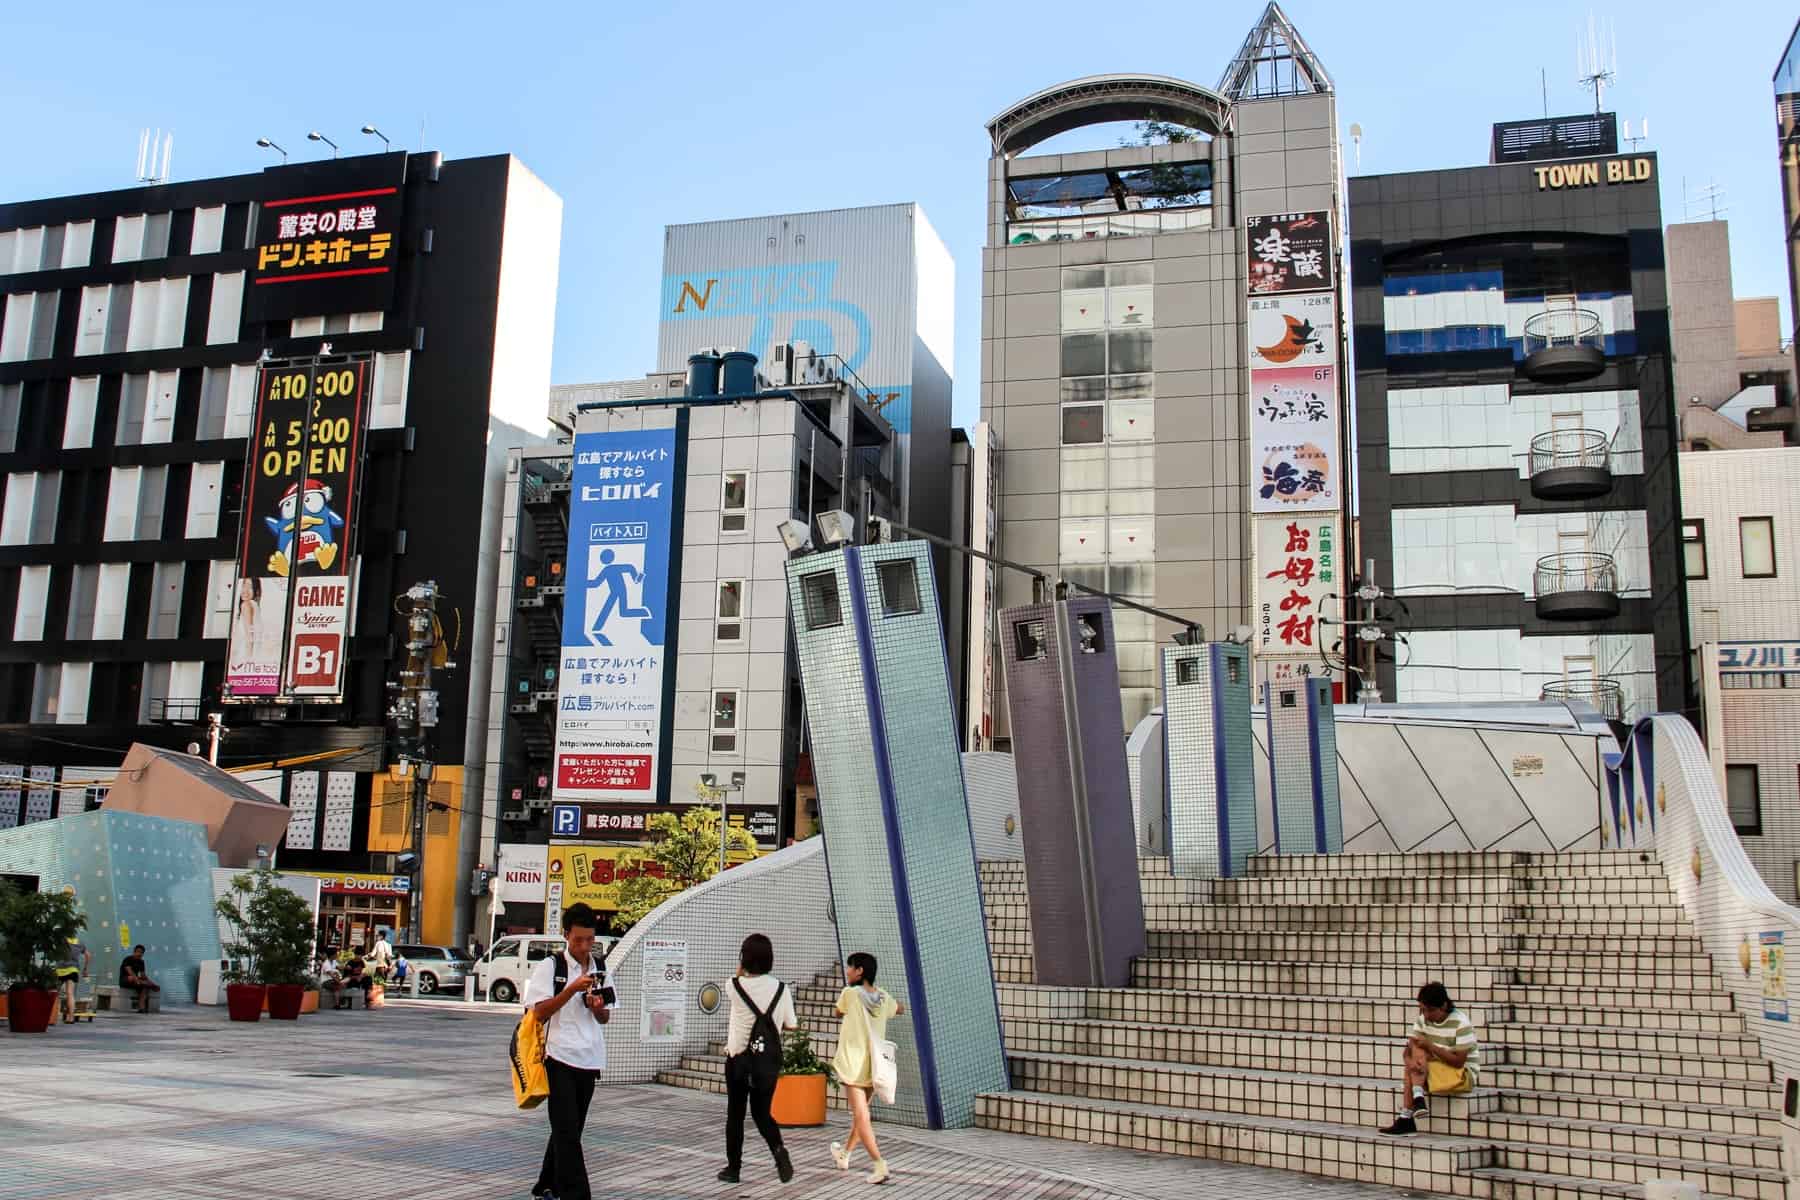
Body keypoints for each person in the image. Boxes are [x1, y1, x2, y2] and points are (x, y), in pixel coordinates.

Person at [522, 903, 614, 1200]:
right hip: (558, 1058)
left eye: (590, 940)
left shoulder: (600, 967)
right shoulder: (551, 966)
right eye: (578, 940)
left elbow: (606, 1017)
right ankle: (577, 1195)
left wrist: (597, 1008)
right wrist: (571, 990)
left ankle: (545, 1186)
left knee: (570, 1130)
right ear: (566, 935)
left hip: (589, 1059)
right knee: (567, 1133)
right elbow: (538, 1012)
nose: (584, 946)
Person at [719, 933, 797, 1184]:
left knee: (736, 1115)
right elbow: (791, 1025)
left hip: (738, 1060)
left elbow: (738, 974)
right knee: (762, 1114)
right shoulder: (782, 989)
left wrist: (741, 966)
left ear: (744, 958)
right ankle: (778, 1151)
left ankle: (734, 1169)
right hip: (766, 1063)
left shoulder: (734, 985)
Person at [829, 951, 904, 1184]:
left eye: (850, 967)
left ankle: (879, 1165)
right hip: (875, 1066)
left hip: (853, 1063)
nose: (847, 971)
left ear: (859, 970)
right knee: (861, 1116)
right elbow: (899, 1008)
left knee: (862, 1116)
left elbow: (837, 1011)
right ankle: (844, 1154)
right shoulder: (883, 997)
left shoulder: (850, 994)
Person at [1381, 981, 1479, 1136]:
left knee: (1420, 1050)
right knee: (1416, 1051)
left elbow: (1459, 1062)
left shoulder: (1461, 1023)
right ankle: (1417, 1099)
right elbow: (1407, 1052)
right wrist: (1411, 1064)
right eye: (1422, 1009)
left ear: (1444, 1006)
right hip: (1433, 1070)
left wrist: (1431, 1046)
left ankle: (1407, 1116)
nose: (1426, 1015)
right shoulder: (1423, 1019)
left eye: (1431, 1010)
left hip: (1462, 1075)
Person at [56, 934, 88, 1024]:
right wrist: (85, 969)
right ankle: (71, 1017)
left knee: (55, 993)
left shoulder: (61, 940)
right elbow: (88, 955)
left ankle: (53, 1015)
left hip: (60, 969)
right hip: (73, 969)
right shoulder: (80, 942)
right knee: (70, 993)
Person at [118, 945, 160, 1013]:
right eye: (138, 952)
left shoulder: (141, 962)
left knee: (145, 987)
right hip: (125, 981)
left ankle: (141, 1008)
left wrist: (151, 983)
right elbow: (129, 971)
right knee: (131, 977)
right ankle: (149, 985)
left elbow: (143, 975)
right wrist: (137, 980)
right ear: (134, 952)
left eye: (141, 952)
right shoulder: (128, 959)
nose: (139, 954)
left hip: (137, 982)